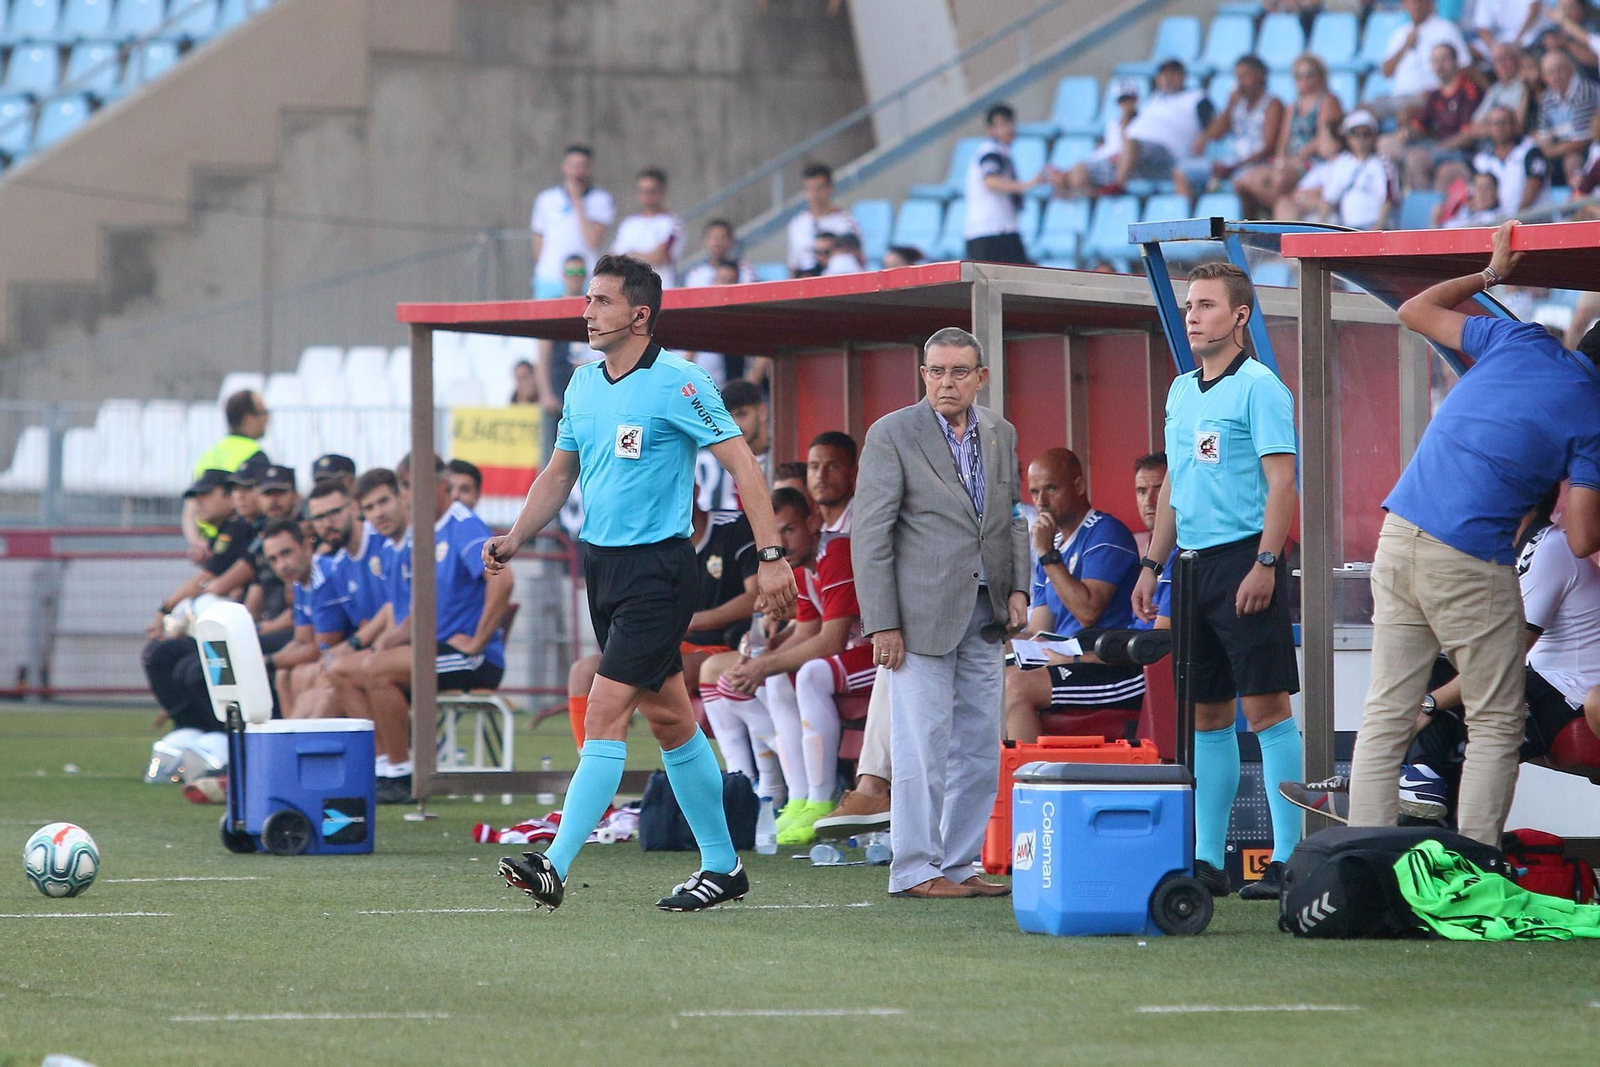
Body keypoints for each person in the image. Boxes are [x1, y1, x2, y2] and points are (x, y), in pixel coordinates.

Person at [488, 253, 795, 912]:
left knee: (605, 710)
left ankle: (556, 865)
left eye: (600, 301)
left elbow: (743, 463)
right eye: (588, 299)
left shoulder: (678, 382)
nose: (587, 311)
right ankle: (722, 864)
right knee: (670, 720)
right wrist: (516, 536)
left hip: (659, 569)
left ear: (639, 313)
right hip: (603, 568)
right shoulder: (581, 385)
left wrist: (771, 554)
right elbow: (558, 473)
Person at [1346, 220, 1600, 847]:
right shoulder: (1592, 413)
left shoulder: (1519, 341)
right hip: (1465, 555)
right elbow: (1585, 536)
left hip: (1398, 534)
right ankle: (1476, 869)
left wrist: (1491, 275)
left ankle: (1361, 858)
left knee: (1387, 713)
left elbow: (1414, 308)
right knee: (1495, 719)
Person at [1132, 261, 1303, 902]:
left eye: (1205, 305)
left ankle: (1286, 857)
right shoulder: (1180, 390)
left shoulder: (1261, 387)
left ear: (1238, 316)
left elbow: (1282, 483)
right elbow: (1175, 483)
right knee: (1206, 715)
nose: (1192, 315)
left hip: (1244, 560)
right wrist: (1153, 563)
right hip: (1191, 567)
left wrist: (1266, 561)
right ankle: (1209, 859)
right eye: (1188, 306)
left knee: (1266, 710)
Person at [854, 326, 1028, 900]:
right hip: (916, 618)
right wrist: (883, 622)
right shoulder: (892, 433)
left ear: (981, 377)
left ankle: (957, 864)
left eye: (958, 372)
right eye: (935, 371)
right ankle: (913, 869)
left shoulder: (1000, 432)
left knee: (979, 747)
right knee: (920, 748)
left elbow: (1012, 518)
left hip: (986, 611)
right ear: (922, 374)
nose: (945, 382)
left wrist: (1019, 590)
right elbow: (871, 534)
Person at [717, 437, 865, 846]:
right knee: (775, 678)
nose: (779, 541)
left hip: (882, 650)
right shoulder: (801, 563)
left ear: (812, 523)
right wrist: (762, 659)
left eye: (788, 529)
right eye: (773, 532)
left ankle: (820, 798)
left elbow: (832, 640)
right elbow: (805, 629)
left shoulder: (836, 549)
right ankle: (794, 797)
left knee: (811, 674)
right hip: (852, 653)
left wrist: (764, 663)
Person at [342, 456, 512, 803]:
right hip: (436, 651)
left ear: (440, 484)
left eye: (413, 486)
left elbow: (503, 579)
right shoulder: (427, 532)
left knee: (376, 670)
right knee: (343, 671)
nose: (408, 496)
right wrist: (392, 638)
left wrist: (478, 641)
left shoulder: (461, 523)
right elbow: (423, 606)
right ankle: (383, 767)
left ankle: (403, 774)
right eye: (404, 487)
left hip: (471, 658)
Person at [565, 497, 759, 750]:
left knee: (663, 682)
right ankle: (588, 759)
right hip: (666, 643)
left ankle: (617, 746)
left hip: (722, 645)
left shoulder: (731, 527)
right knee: (582, 672)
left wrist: (693, 622)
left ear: (693, 489)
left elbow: (756, 596)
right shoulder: (651, 541)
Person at [1003, 448, 1144, 745]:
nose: (1041, 502)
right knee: (980, 676)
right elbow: (1041, 628)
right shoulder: (1052, 544)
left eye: (1051, 489)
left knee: (1016, 687)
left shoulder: (1106, 533)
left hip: (1109, 665)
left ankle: (1028, 785)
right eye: (1035, 492)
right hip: (1064, 658)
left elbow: (1088, 610)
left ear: (1079, 486)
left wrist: (1046, 555)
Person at [142, 469, 258, 736]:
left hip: (247, 629)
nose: (198, 503)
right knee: (161, 656)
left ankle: (214, 733)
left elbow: (210, 581)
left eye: (206, 495)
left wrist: (165, 609)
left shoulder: (238, 530)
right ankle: (191, 729)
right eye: (196, 497)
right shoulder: (223, 534)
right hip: (235, 628)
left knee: (188, 668)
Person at [1063, 60, 1213, 197]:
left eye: (1173, 74)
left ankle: (1118, 186)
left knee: (1131, 143)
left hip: (1166, 155)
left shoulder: (1197, 98)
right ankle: (1095, 206)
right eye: (1163, 74)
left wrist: (1204, 137)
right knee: (1079, 169)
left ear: (1182, 76)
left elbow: (1214, 124)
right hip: (1135, 158)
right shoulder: (1155, 99)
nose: (1168, 78)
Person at [1238, 54, 1344, 223]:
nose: (1302, 80)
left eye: (1308, 74)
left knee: (1279, 181)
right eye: (1298, 76)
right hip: (1291, 160)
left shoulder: (1328, 101)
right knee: (1245, 180)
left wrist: (1296, 158)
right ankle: (1259, 220)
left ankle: (1271, 218)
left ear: (1320, 76)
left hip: (1313, 160)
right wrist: (1281, 160)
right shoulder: (1292, 106)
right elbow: (1283, 140)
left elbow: (1323, 137)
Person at [1178, 55, 1284, 202]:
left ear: (1261, 76)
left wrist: (1235, 167)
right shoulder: (1237, 103)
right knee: (1182, 171)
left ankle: (1245, 222)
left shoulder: (1272, 105)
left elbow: (1268, 147)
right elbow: (1215, 134)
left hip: (1253, 165)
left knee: (1241, 181)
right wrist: (1229, 106)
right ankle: (1187, 219)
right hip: (1230, 163)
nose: (1241, 82)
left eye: (1245, 76)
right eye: (1238, 77)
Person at [1379, 43, 1482, 193]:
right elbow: (1421, 126)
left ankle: (1423, 207)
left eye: (1444, 59)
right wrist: (1406, 133)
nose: (1440, 65)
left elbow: (1469, 134)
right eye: (1435, 61)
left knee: (1416, 159)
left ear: (1456, 62)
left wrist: (1439, 148)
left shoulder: (1469, 91)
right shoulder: (1435, 95)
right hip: (1435, 146)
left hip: (1460, 152)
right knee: (1386, 143)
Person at [184, 389, 268, 561]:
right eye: (263, 413)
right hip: (240, 544)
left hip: (209, 546)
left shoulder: (208, 455)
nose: (268, 418)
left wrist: (197, 542)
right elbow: (263, 505)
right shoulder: (256, 455)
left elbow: (189, 509)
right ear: (248, 418)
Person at [256, 518, 327, 718]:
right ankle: (290, 735)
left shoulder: (324, 576)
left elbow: (323, 647)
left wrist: (270, 661)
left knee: (301, 674)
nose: (282, 565)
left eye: (286, 553)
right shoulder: (299, 584)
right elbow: (302, 639)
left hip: (350, 651)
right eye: (273, 559)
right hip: (333, 654)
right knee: (282, 674)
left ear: (306, 546)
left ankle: (295, 740)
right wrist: (270, 662)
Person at [964, 103, 1049, 265]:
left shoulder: (1001, 152)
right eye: (1002, 124)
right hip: (992, 232)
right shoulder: (991, 152)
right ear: (990, 130)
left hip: (997, 230)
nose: (1009, 129)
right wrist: (1026, 185)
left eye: (1010, 123)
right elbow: (990, 181)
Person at [534, 255, 597, 464]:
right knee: (555, 451)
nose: (575, 278)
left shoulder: (593, 308)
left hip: (585, 386)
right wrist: (545, 393)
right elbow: (542, 356)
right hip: (559, 389)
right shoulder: (554, 307)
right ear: (563, 276)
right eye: (571, 273)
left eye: (579, 273)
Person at [530, 144, 614, 299]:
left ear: (590, 169)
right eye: (573, 166)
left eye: (582, 166)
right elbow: (538, 241)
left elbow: (593, 240)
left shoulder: (601, 200)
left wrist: (577, 201)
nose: (577, 172)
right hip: (550, 279)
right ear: (564, 167)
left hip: (586, 278)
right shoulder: (546, 199)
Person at [1371, 0, 1471, 119]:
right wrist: (1406, 45)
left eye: (1420, 2)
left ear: (1430, 3)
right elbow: (1386, 72)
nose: (1416, 6)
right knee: (1361, 112)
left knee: (1405, 114)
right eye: (1412, 2)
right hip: (1399, 97)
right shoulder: (1400, 33)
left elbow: (1465, 67)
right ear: (1405, 5)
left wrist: (1438, 91)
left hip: (1430, 96)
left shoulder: (1446, 28)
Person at [1304, 110, 1397, 230]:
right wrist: (1318, 231)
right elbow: (1328, 201)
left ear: (1374, 136)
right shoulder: (1342, 164)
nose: (1360, 139)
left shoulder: (1383, 163)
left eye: (1366, 133)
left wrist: (1374, 233)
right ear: (1348, 138)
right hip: (1346, 229)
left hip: (1374, 229)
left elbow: (1388, 202)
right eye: (1355, 133)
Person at [695, 379, 768, 512]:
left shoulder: (781, 455)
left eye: (742, 414)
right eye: (728, 418)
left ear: (762, 412)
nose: (735, 424)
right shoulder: (709, 462)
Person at [1534, 49, 1599, 187]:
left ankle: (1579, 199)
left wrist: (1549, 151)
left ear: (1572, 68)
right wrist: (1547, 149)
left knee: (1571, 159)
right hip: (1562, 147)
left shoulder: (1584, 92)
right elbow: (1543, 135)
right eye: (1550, 73)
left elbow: (1583, 140)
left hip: (1591, 147)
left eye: (1560, 70)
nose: (1556, 76)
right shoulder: (1547, 98)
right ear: (1544, 77)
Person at [611, 167, 684, 288]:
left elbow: (659, 257)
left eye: (651, 191)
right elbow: (617, 259)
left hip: (661, 289)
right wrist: (643, 256)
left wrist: (630, 255)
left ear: (663, 192)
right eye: (642, 191)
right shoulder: (628, 224)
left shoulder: (673, 223)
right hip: (632, 291)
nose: (646, 196)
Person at [1471, 105, 1549, 216]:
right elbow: (1475, 196)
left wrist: (1513, 219)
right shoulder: (1482, 159)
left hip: (1531, 221)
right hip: (1498, 222)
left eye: (1504, 122)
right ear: (1489, 128)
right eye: (1495, 123)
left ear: (1514, 126)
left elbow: (1533, 187)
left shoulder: (1530, 150)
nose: (1499, 127)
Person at [786, 162, 859, 276]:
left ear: (830, 189)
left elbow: (858, 260)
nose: (814, 195)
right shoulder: (797, 224)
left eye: (818, 188)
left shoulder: (845, 222)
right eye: (810, 189)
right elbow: (794, 265)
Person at [682, 219, 757, 287]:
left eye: (722, 237)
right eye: (713, 237)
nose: (717, 243)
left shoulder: (745, 270)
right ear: (705, 241)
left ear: (731, 241)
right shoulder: (696, 274)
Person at [1132, 452, 1168, 557]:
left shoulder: (1190, 547)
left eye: (1159, 491)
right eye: (1142, 491)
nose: (1149, 501)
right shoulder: (1137, 546)